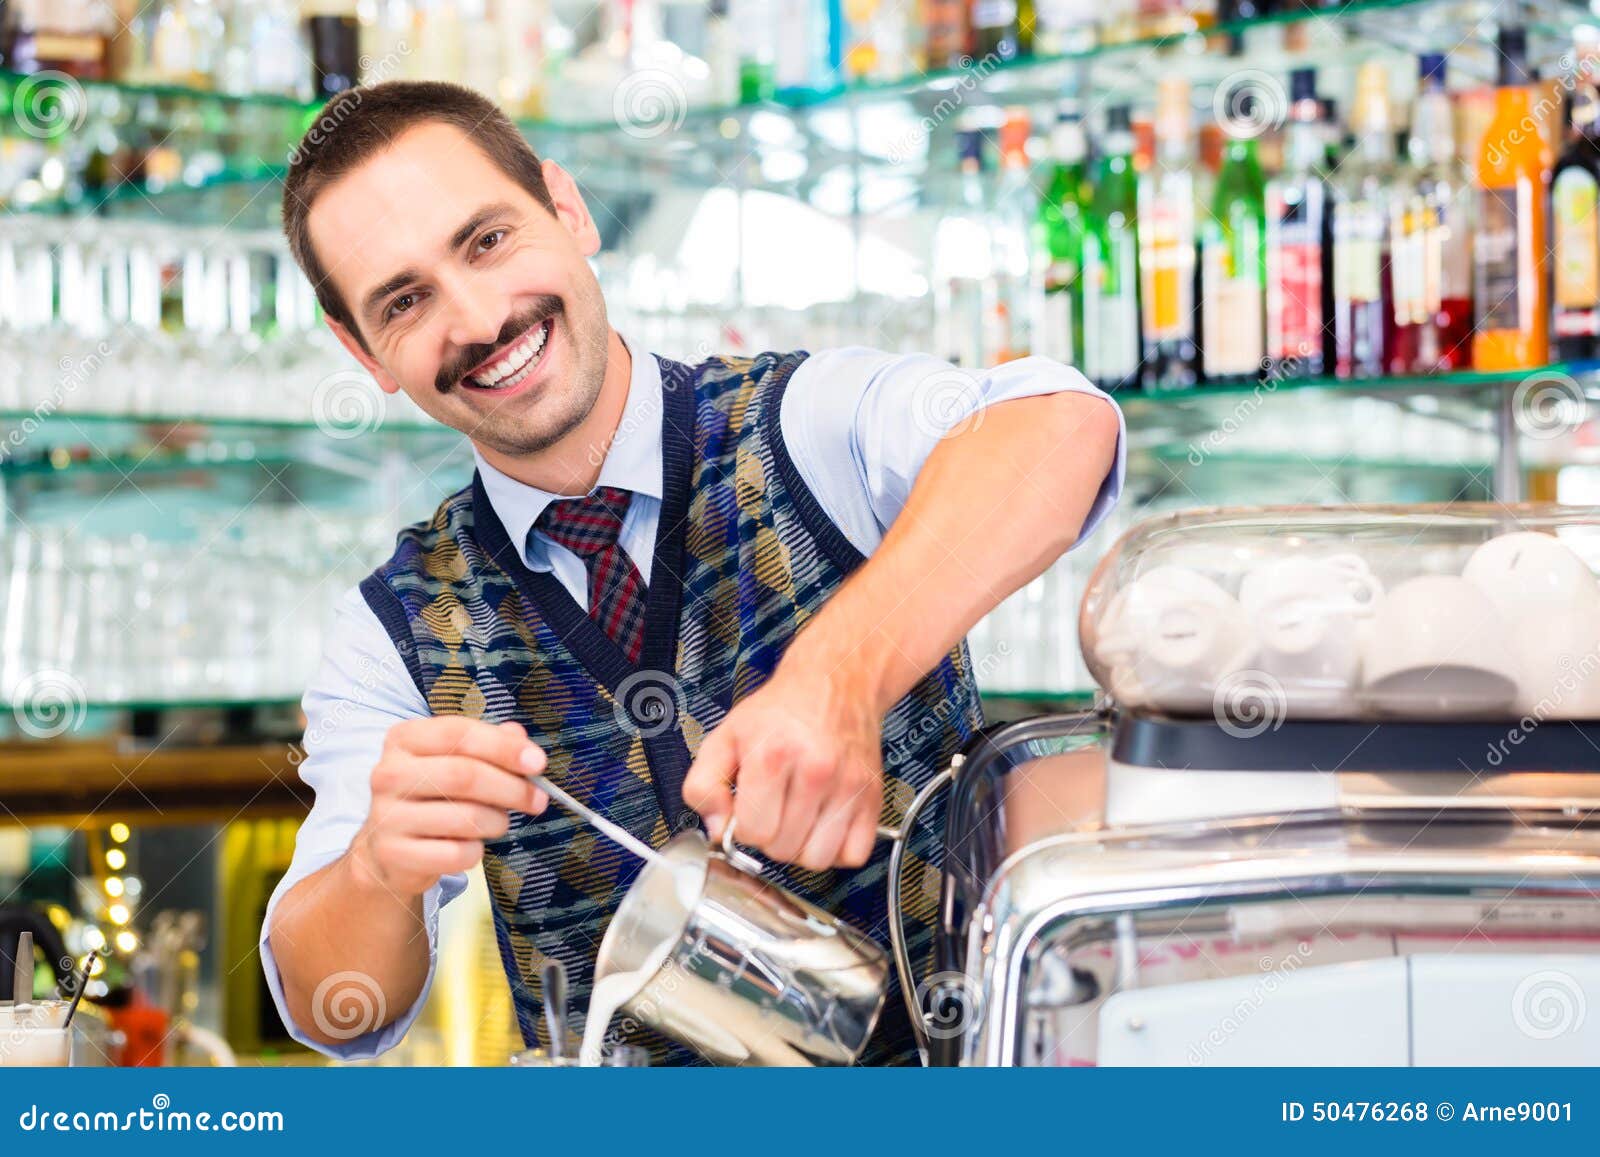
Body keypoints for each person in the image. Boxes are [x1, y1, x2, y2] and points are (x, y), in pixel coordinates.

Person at [262, 80, 1125, 1066]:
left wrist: (836, 675)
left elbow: (1060, 424)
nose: (479, 316)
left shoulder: (805, 424)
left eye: (488, 240)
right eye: (404, 299)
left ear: (566, 208)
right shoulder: (392, 628)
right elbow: (335, 1006)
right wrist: (377, 866)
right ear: (361, 348)